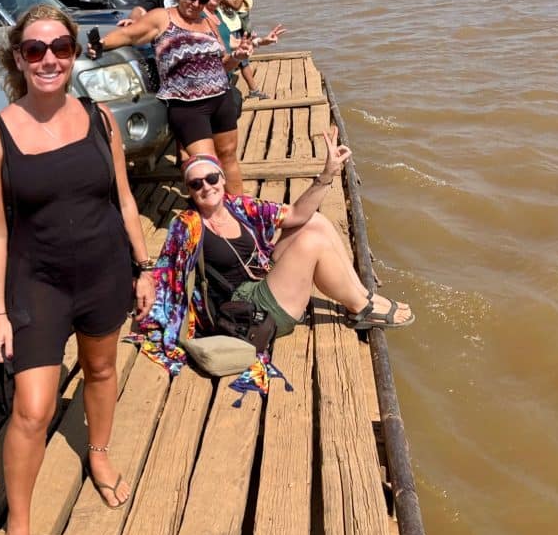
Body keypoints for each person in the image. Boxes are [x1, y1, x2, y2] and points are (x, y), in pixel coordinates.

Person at [0, 4, 156, 535]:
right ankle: (19, 524)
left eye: (60, 47)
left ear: (75, 53)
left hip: (103, 270)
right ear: (18, 59)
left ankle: (97, 454)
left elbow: (123, 198)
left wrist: (144, 266)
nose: (49, 58)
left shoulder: (100, 118)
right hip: (39, 281)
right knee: (32, 409)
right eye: (35, 49)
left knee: (101, 370)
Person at [131, 137, 414, 375]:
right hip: (248, 310)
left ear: (222, 178)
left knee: (314, 221)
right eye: (196, 184)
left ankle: (363, 297)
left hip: (261, 276)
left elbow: (295, 214)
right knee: (311, 243)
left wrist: (326, 174)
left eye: (212, 178)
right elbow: (168, 268)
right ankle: (361, 309)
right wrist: (145, 280)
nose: (206, 186)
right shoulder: (187, 226)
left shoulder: (239, 206)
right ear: (190, 192)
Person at [91, 0, 244, 195]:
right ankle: (214, 222)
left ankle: (241, 212)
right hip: (189, 107)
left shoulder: (209, 21)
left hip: (221, 100)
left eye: (202, 0)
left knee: (229, 158)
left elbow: (222, 63)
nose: (195, 4)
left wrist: (237, 57)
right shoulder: (162, 17)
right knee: (207, 168)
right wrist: (99, 44)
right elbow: (128, 35)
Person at [206, 0, 285, 101]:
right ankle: (253, 90)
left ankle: (251, 90)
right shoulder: (199, 17)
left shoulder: (215, 14)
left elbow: (231, 42)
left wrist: (261, 41)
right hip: (209, 89)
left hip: (223, 84)